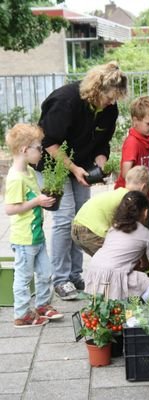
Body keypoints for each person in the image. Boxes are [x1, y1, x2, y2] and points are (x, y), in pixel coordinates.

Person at [34, 61, 128, 300]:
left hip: (81, 163)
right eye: (108, 98)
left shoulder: (109, 109)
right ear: (96, 91)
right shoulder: (66, 101)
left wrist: (99, 164)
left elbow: (102, 143)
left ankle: (76, 275)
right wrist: (74, 169)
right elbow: (49, 142)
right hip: (53, 162)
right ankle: (61, 279)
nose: (111, 103)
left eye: (115, 99)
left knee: (80, 219)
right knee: (64, 219)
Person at [4, 123, 64, 328]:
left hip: (37, 235)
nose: (41, 151)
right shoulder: (15, 178)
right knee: (24, 277)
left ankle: (42, 305)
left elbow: (34, 197)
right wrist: (37, 202)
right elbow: (10, 208)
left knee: (46, 272)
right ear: (24, 150)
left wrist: (43, 199)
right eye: (38, 148)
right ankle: (21, 314)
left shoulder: (29, 172)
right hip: (24, 239)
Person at [84, 191, 149, 301]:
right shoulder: (146, 234)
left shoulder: (114, 227)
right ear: (145, 213)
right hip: (114, 276)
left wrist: (144, 264)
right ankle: (138, 310)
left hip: (94, 270)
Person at [71, 165, 149, 256]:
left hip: (77, 226)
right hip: (92, 232)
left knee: (103, 260)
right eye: (147, 190)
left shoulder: (118, 193)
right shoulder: (130, 199)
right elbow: (129, 227)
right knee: (118, 258)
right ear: (143, 187)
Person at [114, 96, 149, 230]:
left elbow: (148, 168)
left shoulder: (148, 140)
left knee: (146, 232)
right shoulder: (132, 143)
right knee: (140, 233)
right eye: (148, 123)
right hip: (129, 200)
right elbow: (126, 173)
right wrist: (148, 178)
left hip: (142, 198)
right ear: (135, 120)